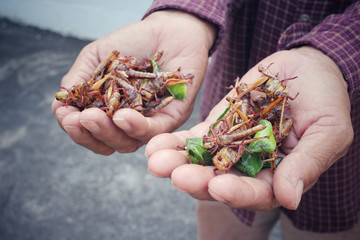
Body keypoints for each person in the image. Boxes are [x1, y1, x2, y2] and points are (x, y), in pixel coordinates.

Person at [52, 0, 360, 239]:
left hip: (342, 132)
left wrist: (333, 59)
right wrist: (183, 13)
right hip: (229, 98)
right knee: (220, 216)